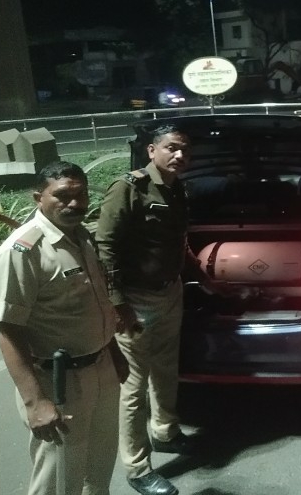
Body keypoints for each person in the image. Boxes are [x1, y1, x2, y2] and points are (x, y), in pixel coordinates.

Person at [95, 124, 227, 495]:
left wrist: (203, 276)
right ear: (152, 150)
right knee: (134, 386)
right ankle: (137, 468)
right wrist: (117, 304)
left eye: (185, 150)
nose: (180, 155)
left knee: (167, 368)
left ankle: (165, 433)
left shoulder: (177, 188)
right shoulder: (128, 188)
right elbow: (105, 247)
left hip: (170, 292)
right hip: (135, 298)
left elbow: (178, 242)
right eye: (171, 148)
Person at [0, 161, 128, 495]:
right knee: (59, 479)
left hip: (101, 368)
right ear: (39, 197)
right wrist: (35, 402)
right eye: (63, 195)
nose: (75, 203)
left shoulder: (81, 237)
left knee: (99, 469)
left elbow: (96, 303)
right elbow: (9, 330)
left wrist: (114, 352)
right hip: (59, 381)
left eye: (82, 194)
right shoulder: (22, 252)